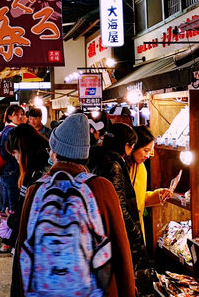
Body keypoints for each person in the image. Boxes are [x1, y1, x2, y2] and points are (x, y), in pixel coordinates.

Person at [12, 113, 135, 297]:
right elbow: (121, 251)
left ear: (54, 152)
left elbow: (22, 251)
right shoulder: (101, 188)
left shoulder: (36, 190)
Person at [89, 123, 148, 271]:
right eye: (132, 146)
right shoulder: (113, 165)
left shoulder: (99, 157)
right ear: (126, 145)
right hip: (115, 235)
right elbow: (119, 206)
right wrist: (135, 234)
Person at [3, 124, 49, 249]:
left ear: (24, 149)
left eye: (14, 152)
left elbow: (30, 217)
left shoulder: (39, 176)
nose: (14, 156)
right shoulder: (34, 170)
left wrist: (12, 220)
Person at [128, 125, 172, 243]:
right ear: (134, 147)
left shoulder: (141, 168)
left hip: (137, 227)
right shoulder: (122, 168)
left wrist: (158, 195)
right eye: (145, 150)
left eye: (150, 151)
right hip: (125, 228)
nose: (147, 156)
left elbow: (139, 198)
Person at [0, 104, 26, 252]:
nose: (21, 117)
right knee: (12, 207)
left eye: (22, 114)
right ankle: (9, 240)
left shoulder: (5, 131)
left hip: (7, 173)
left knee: (7, 206)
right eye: (17, 114)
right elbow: (7, 154)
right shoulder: (12, 132)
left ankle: (8, 239)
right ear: (9, 116)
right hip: (12, 173)